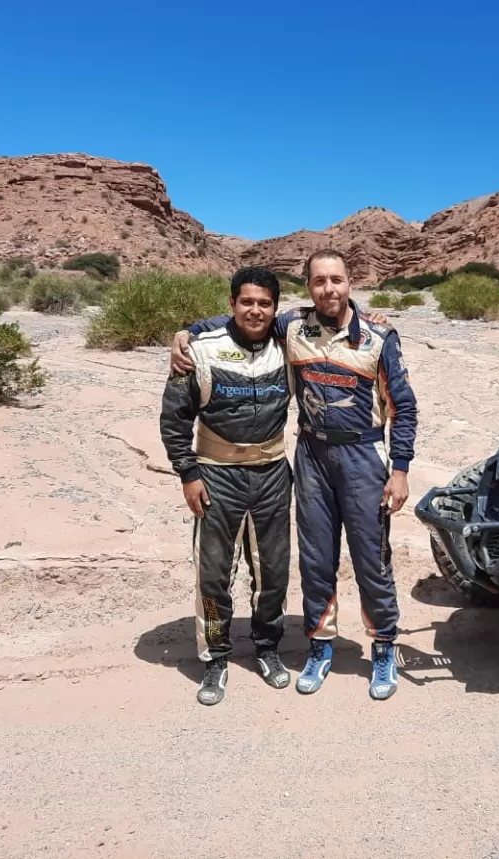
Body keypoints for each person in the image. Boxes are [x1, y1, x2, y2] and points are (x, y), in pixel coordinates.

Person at [171, 249, 418, 701]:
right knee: (316, 559)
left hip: (363, 457)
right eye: (319, 281)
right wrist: (185, 334)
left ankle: (383, 645)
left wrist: (399, 470)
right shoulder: (292, 326)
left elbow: (404, 407)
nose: (329, 289)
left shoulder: (380, 337)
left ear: (350, 282)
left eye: (337, 280)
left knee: (371, 558)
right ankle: (320, 645)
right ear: (308, 287)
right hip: (311, 455)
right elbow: (244, 317)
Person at [159, 266, 294, 706]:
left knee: (273, 571)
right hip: (216, 472)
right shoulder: (201, 349)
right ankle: (215, 654)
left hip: (273, 472)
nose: (255, 310)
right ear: (232, 303)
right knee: (214, 574)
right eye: (247, 302)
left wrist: (376, 321)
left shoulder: (289, 343)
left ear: (275, 308)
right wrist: (188, 474)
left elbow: (332, 321)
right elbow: (175, 418)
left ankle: (268, 648)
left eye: (265, 303)